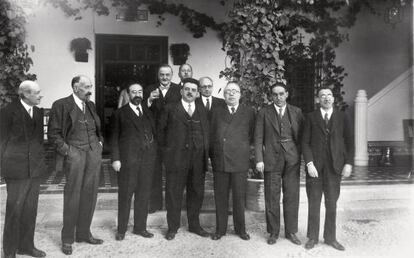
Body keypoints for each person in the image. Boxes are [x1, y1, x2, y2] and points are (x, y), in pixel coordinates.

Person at [48, 75, 104, 255]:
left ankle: (83, 233)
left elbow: (96, 128)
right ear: (75, 87)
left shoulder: (91, 104)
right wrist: (68, 151)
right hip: (75, 155)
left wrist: (99, 143)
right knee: (73, 196)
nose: (90, 90)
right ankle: (67, 239)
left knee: (90, 193)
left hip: (93, 153)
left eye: (91, 86)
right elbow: (53, 134)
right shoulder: (61, 105)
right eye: (86, 86)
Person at [302, 87, 354, 251]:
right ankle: (312, 237)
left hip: (334, 167)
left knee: (332, 204)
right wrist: (309, 163)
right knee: (314, 203)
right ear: (318, 99)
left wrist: (348, 163)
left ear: (333, 98)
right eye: (322, 95)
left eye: (329, 95)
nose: (326, 98)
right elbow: (305, 142)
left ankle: (330, 238)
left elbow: (350, 142)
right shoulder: (310, 117)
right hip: (315, 169)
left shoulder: (342, 116)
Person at [158, 78, 210, 240]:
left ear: (197, 93)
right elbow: (160, 133)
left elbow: (207, 132)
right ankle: (172, 228)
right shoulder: (170, 108)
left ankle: (194, 225)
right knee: (174, 194)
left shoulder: (202, 109)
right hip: (176, 160)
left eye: (194, 90)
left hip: (197, 160)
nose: (190, 92)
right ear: (181, 91)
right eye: (187, 89)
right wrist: (167, 156)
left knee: (196, 193)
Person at [0, 81, 47, 258]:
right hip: (16, 170)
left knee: (30, 210)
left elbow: (38, 142)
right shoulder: (7, 112)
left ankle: (27, 246)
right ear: (25, 94)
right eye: (37, 92)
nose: (40, 95)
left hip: (34, 170)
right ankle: (9, 251)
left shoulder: (38, 111)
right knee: (14, 211)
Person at [254, 83, 303, 245]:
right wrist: (259, 159)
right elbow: (258, 137)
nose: (278, 97)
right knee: (272, 196)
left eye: (281, 94)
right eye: (275, 94)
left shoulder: (296, 112)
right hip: (271, 159)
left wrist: (301, 157)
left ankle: (291, 232)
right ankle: (273, 232)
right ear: (271, 96)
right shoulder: (263, 112)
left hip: (292, 159)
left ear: (287, 94)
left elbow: (302, 137)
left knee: (291, 195)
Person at [110, 83, 157, 241]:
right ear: (128, 94)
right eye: (133, 92)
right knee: (125, 196)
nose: (137, 94)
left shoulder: (148, 112)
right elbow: (114, 138)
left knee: (143, 196)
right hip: (128, 162)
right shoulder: (120, 114)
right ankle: (121, 230)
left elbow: (154, 134)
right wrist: (115, 159)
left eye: (140, 91)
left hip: (147, 162)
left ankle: (140, 228)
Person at [209, 81, 255, 241]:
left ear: (240, 94)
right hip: (220, 161)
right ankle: (220, 229)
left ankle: (240, 229)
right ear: (224, 95)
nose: (231, 94)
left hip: (239, 161)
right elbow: (211, 135)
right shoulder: (216, 112)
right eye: (228, 91)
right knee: (220, 197)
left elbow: (251, 135)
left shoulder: (249, 112)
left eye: (235, 91)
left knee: (239, 197)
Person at [144, 64, 181, 213]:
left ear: (172, 75)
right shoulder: (149, 89)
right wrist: (149, 100)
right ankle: (155, 204)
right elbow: (142, 111)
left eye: (167, 75)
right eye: (162, 75)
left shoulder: (179, 90)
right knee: (154, 171)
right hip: (155, 137)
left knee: (173, 172)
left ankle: (173, 205)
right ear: (158, 76)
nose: (164, 77)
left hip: (173, 138)